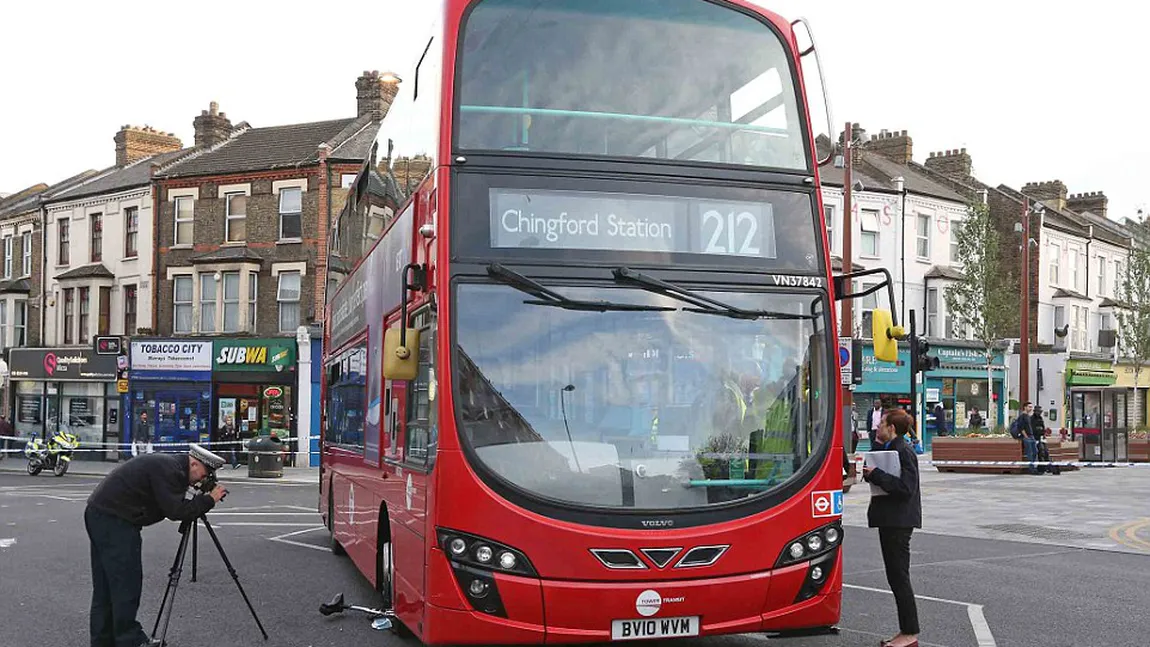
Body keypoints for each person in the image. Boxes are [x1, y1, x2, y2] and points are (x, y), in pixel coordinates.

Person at [85, 449, 227, 647]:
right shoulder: (171, 471)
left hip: (101, 514)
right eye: (203, 475)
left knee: (106, 588)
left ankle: (103, 642)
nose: (199, 482)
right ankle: (130, 641)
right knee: (126, 584)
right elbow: (176, 510)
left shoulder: (169, 465)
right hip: (116, 520)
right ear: (193, 464)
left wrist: (198, 501)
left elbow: (170, 504)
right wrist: (209, 499)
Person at [863, 409, 922, 647]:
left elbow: (906, 488)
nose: (878, 427)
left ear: (893, 429)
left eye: (882, 424)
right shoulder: (892, 449)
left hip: (899, 521)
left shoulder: (903, 451)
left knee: (899, 577)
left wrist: (876, 475)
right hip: (890, 520)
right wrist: (872, 474)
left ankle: (910, 634)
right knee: (895, 577)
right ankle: (904, 632)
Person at [1013, 402, 1037, 475]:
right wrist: (1026, 436)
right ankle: (1031, 469)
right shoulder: (1022, 416)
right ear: (1025, 407)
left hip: (1031, 436)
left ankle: (1034, 467)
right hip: (1027, 437)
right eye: (1029, 407)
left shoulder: (1028, 416)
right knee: (1030, 453)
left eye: (1031, 407)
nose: (1031, 408)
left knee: (1035, 451)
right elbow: (1021, 427)